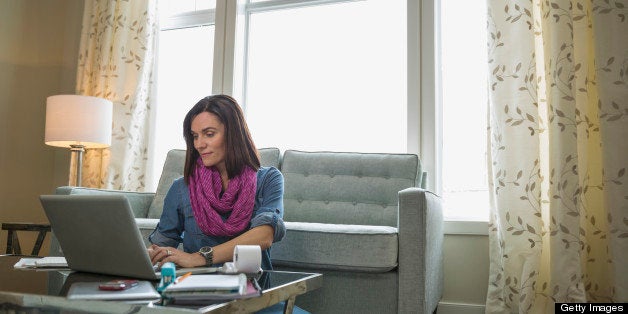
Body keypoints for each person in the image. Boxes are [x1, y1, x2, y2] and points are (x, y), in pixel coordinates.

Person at [147, 94, 286, 271]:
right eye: (195, 136)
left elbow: (264, 235)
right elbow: (159, 246)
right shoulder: (181, 188)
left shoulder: (268, 179)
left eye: (209, 134)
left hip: (252, 290)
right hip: (197, 290)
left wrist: (197, 258)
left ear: (233, 134)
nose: (199, 144)